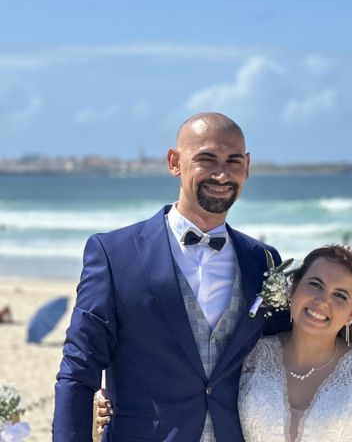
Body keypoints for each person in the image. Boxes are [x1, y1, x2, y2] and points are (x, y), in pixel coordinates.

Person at [97, 244, 352, 441]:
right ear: (292, 291)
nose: (323, 302)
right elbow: (190, 383)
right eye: (315, 285)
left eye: (340, 296)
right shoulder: (252, 356)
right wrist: (112, 403)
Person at [54, 113, 289, 441]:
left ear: (247, 167)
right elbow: (78, 371)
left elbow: (286, 358)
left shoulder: (263, 261)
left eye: (233, 161)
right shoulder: (114, 254)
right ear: (174, 162)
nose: (221, 173)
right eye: (206, 159)